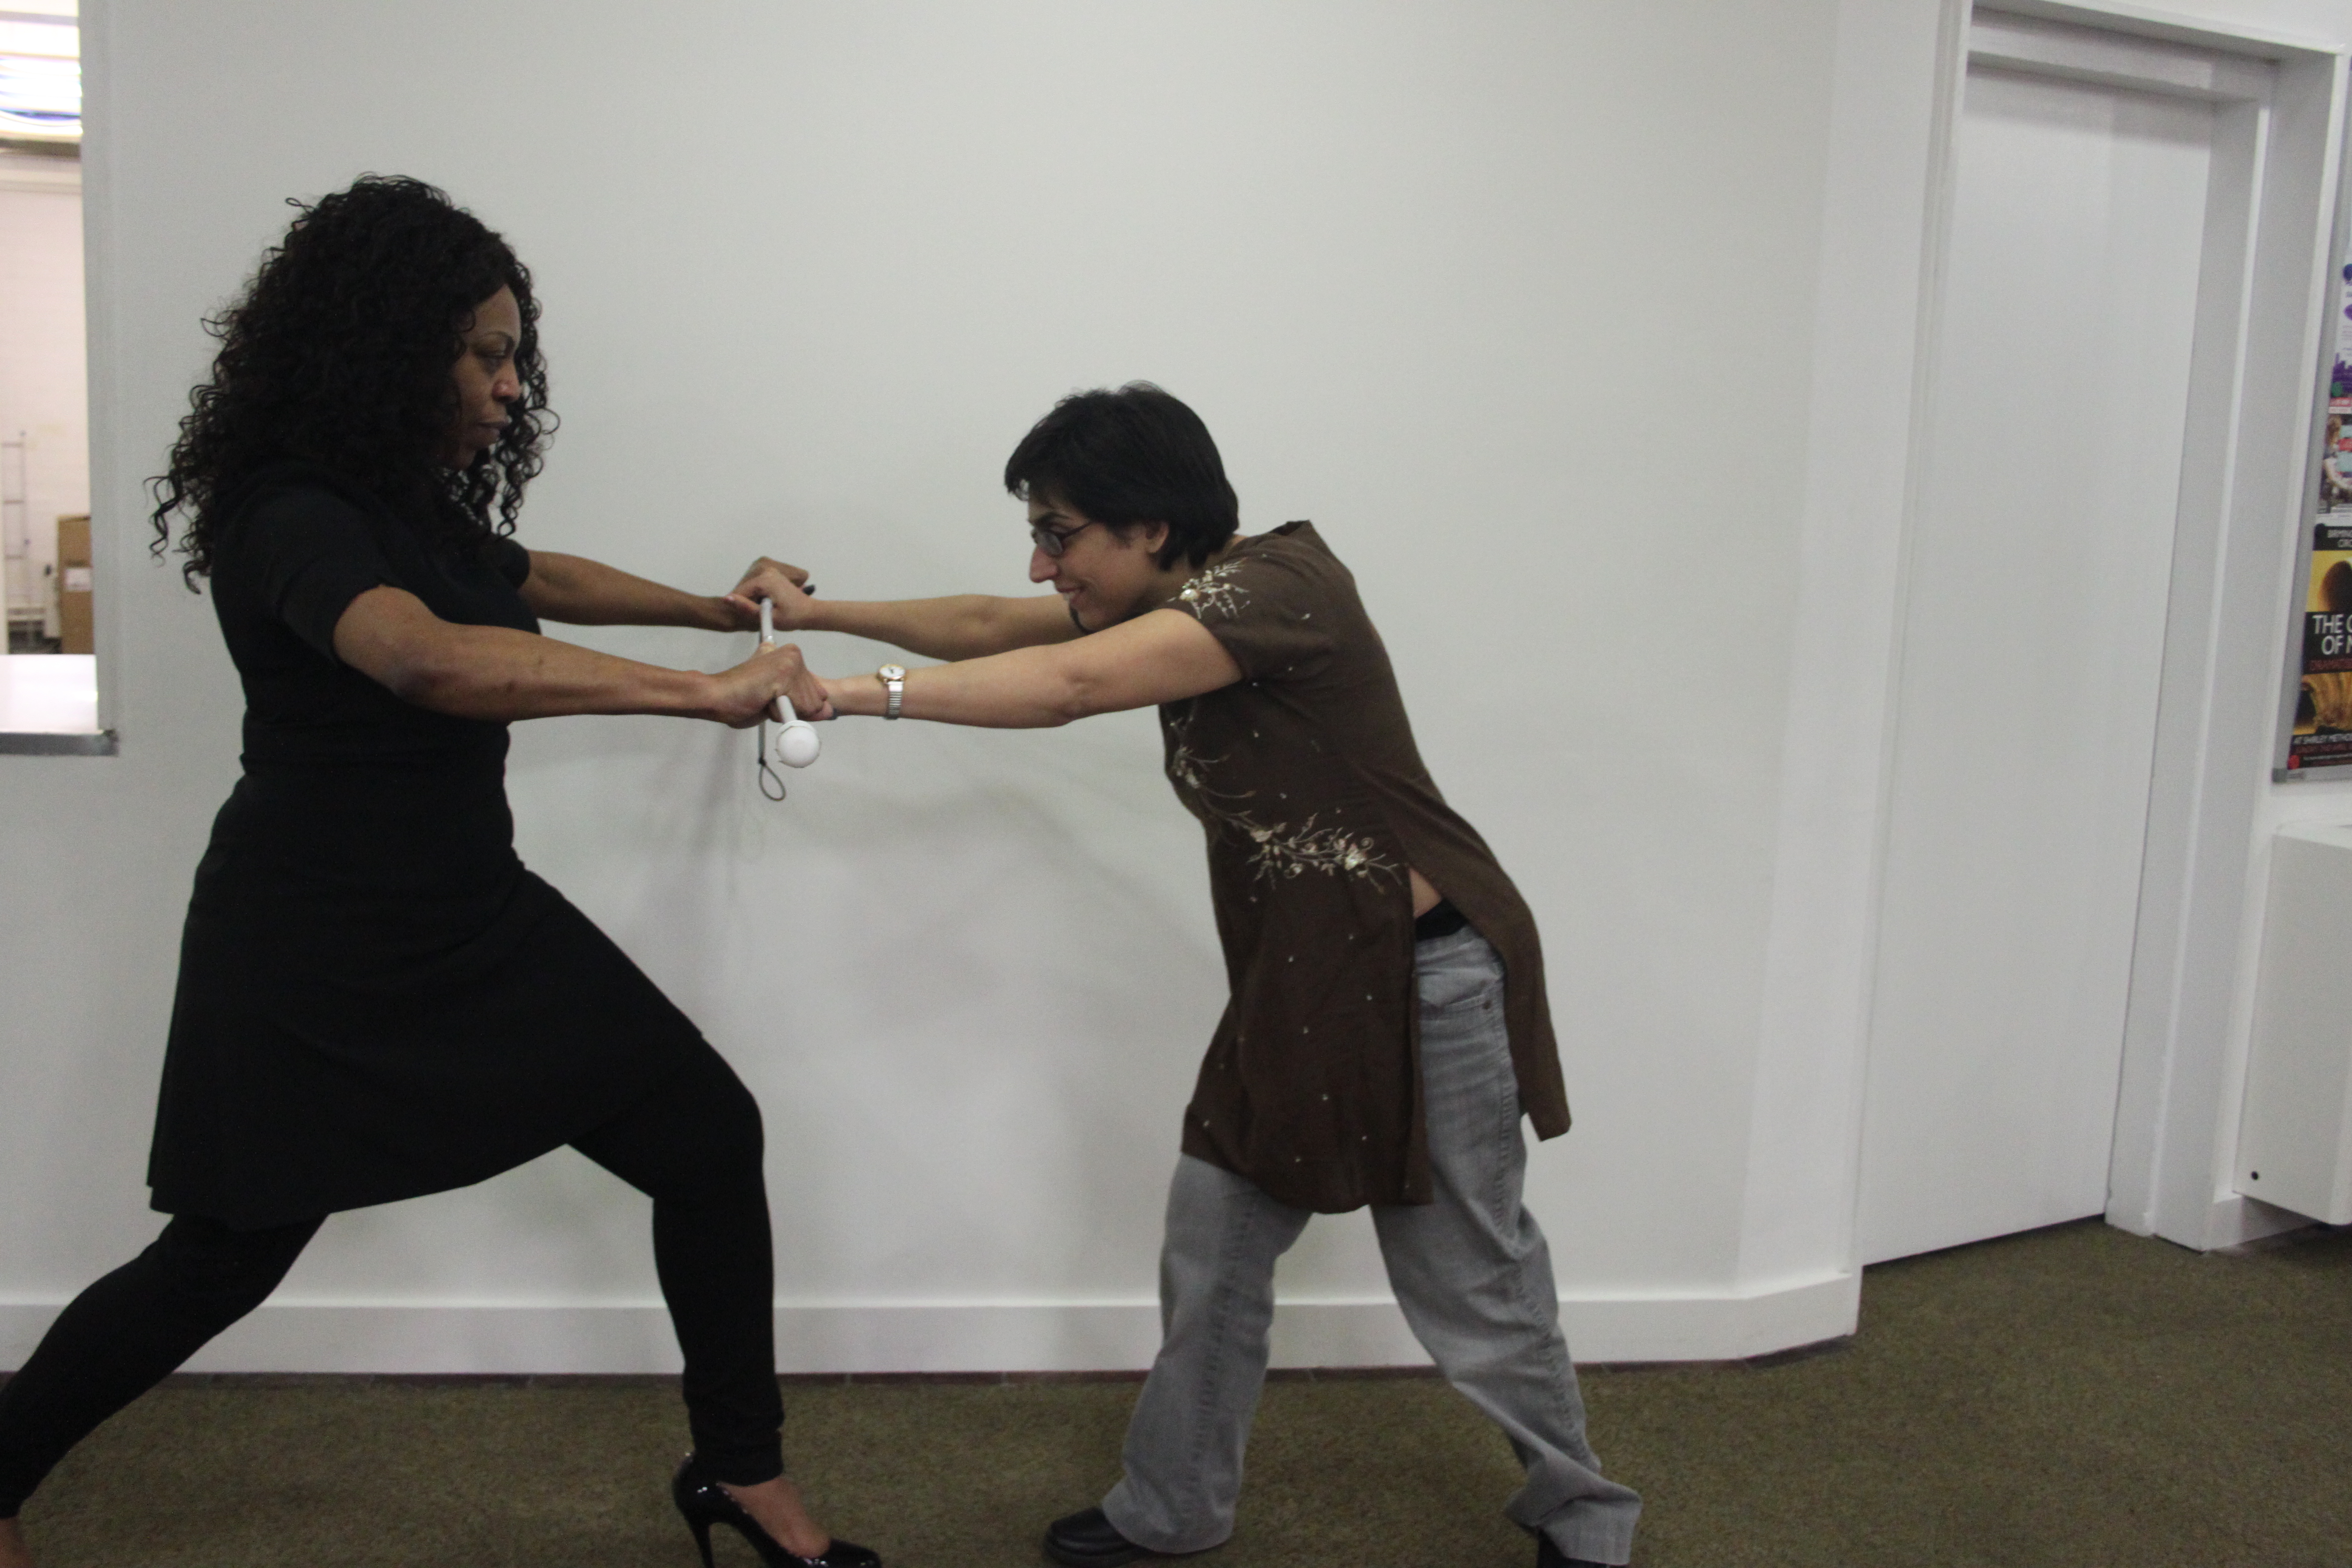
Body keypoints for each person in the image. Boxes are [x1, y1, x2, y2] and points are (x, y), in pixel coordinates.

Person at [0, 177, 875, 1568]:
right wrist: (698, 693)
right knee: (226, 1259)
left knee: (707, 1136)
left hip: (466, 907)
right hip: (312, 938)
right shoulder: (284, 510)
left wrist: (718, 607)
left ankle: (741, 1475)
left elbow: (527, 580)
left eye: (513, 353)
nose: (512, 386)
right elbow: (421, 654)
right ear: (386, 346)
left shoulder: (397, 499)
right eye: (486, 353)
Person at [740, 383, 1641, 1567]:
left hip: (1424, 979)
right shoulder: (1171, 600)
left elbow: (1068, 689)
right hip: (1301, 989)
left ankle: (1588, 1517)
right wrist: (822, 611)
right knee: (1213, 1250)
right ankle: (1174, 1508)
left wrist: (846, 694)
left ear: (1150, 527)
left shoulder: (1278, 591)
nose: (1037, 565)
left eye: (1059, 534)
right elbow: (985, 627)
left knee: (1470, 1277)